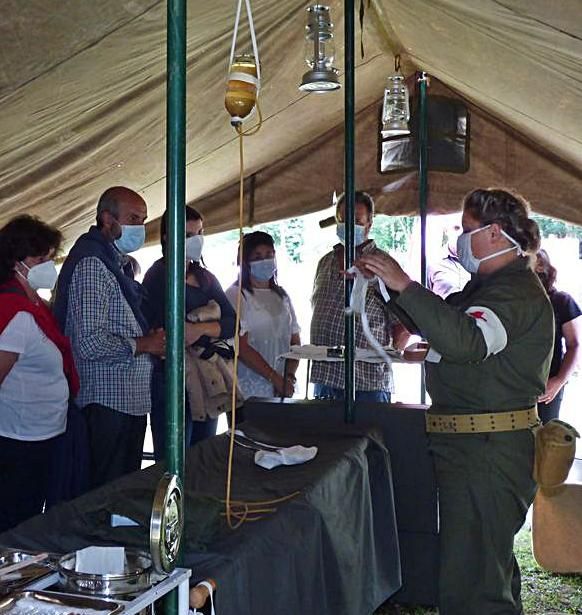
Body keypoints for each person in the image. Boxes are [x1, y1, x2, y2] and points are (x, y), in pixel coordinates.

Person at [358, 188, 553, 615]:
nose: (459, 240)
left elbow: (466, 340)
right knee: (482, 568)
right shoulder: (485, 288)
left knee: (474, 585)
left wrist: (404, 284)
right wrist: (386, 284)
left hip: (487, 452)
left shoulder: (514, 292)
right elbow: (443, 322)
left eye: (467, 231)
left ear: (495, 233)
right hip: (474, 449)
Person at [53, 186, 165, 489]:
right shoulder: (92, 264)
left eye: (143, 220)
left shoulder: (117, 265)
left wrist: (149, 341)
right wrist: (145, 344)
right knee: (103, 492)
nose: (139, 228)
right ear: (107, 219)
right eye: (133, 219)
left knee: (120, 492)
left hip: (128, 399)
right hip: (106, 399)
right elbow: (88, 342)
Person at [0, 215, 79, 532]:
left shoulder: (35, 304)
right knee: (15, 519)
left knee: (33, 514)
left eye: (50, 258)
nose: (49, 265)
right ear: (17, 261)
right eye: (41, 259)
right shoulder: (14, 312)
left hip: (44, 433)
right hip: (18, 440)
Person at [142, 206, 236, 459]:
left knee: (203, 453)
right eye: (188, 235)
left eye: (200, 233)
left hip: (207, 376)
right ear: (167, 237)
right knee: (174, 457)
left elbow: (231, 322)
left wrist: (199, 328)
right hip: (172, 379)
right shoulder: (157, 276)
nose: (196, 241)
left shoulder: (205, 276)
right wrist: (208, 322)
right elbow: (167, 328)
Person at [310, 191, 405, 402]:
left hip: (367, 383)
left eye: (357, 220)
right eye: (343, 219)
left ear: (369, 223)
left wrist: (383, 358)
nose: (349, 225)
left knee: (367, 435)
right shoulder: (325, 262)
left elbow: (404, 325)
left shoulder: (383, 264)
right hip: (325, 378)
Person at [226, 231, 301, 399]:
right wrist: (275, 379)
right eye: (257, 256)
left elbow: (294, 341)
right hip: (247, 391)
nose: (265, 261)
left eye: (269, 255)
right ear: (245, 262)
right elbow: (241, 347)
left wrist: (288, 378)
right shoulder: (236, 295)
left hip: (283, 389)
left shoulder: (282, 295)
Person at [535, 249, 582, 423]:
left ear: (541, 267)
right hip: (513, 387)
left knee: (547, 439)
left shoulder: (561, 301)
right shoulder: (511, 302)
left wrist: (559, 380)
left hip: (547, 386)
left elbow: (575, 345)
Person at [427, 218, 470, 298]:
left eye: (466, 230)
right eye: (456, 228)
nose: (460, 234)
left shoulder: (480, 266)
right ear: (446, 230)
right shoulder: (432, 263)